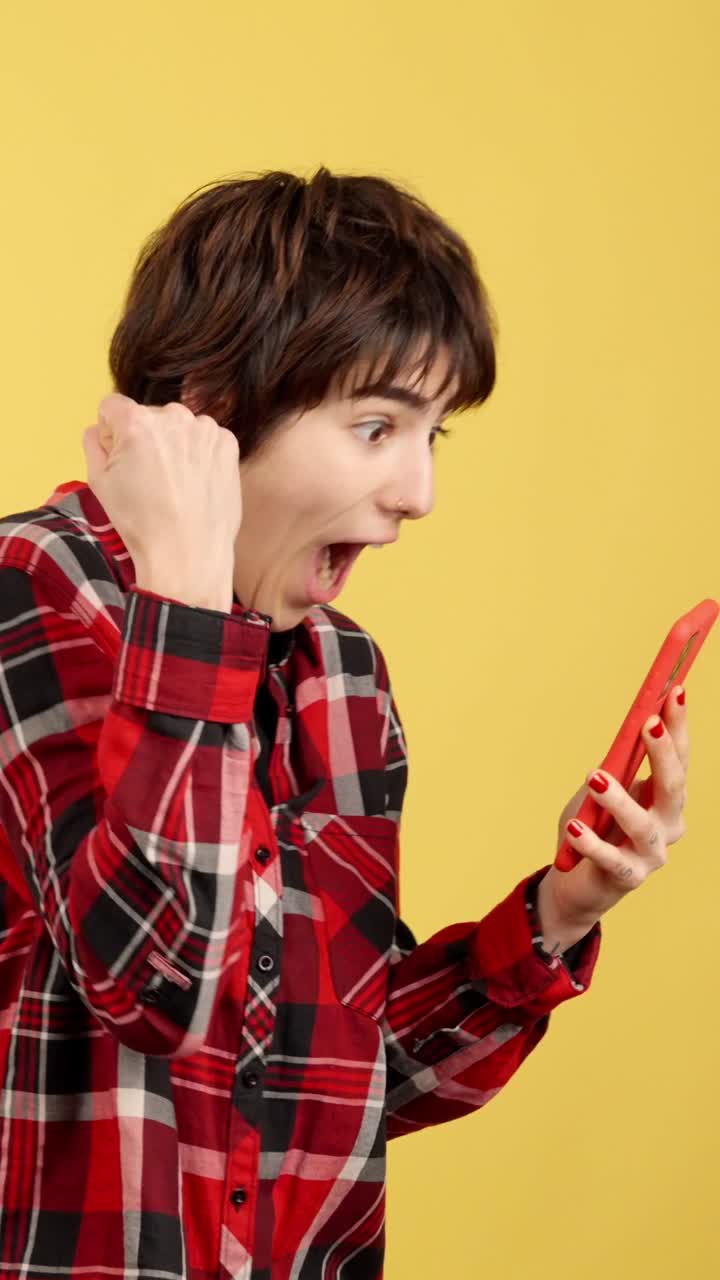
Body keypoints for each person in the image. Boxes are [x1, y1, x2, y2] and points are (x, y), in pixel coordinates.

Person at [0, 169, 688, 1280]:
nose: (418, 492)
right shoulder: (38, 590)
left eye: (433, 436)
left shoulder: (341, 675)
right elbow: (150, 983)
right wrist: (179, 596)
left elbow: (341, 1084)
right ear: (213, 409)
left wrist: (563, 909)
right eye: (376, 427)